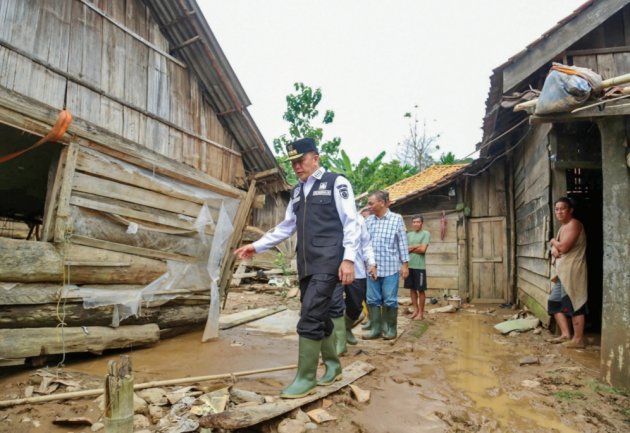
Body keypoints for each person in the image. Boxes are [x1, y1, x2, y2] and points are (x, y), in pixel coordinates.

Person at [234, 137, 359, 398]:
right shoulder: (298, 191)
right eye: (292, 163)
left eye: (300, 161)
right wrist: (256, 246)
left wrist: (348, 259)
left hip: (329, 261)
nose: (296, 167)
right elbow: (286, 226)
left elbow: (351, 223)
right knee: (319, 314)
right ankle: (334, 366)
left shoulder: (337, 183)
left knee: (310, 316)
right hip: (306, 263)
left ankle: (305, 378)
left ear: (316, 158)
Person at [329, 208, 377, 355]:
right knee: (335, 305)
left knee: (356, 307)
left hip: (357, 270)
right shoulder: (331, 216)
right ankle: (340, 344)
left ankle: (346, 328)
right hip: (334, 268)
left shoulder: (359, 220)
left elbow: (366, 244)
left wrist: (372, 263)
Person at [363, 190, 409, 340]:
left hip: (390, 268)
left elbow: (402, 243)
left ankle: (391, 329)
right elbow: (364, 244)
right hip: (372, 269)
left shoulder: (396, 219)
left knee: (389, 300)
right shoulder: (368, 221)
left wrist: (405, 265)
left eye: (371, 203)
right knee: (372, 300)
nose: (368, 206)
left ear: (381, 203)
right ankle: (376, 329)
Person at [547, 197, 588, 349]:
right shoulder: (563, 227)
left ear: (570, 210)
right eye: (557, 209)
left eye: (562, 208)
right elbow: (559, 248)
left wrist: (553, 242)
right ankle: (566, 334)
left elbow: (564, 248)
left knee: (574, 302)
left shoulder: (574, 224)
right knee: (554, 302)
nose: (559, 211)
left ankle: (578, 340)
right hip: (562, 273)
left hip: (573, 271)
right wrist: (553, 248)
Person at [405, 215, 430, 320]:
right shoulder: (409, 235)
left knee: (421, 290)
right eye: (414, 222)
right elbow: (404, 250)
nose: (416, 224)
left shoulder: (426, 233)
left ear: (422, 223)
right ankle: (415, 310)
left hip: (420, 267)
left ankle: (421, 313)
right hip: (409, 266)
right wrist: (417, 245)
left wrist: (411, 248)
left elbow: (423, 250)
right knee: (412, 289)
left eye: (418, 222)